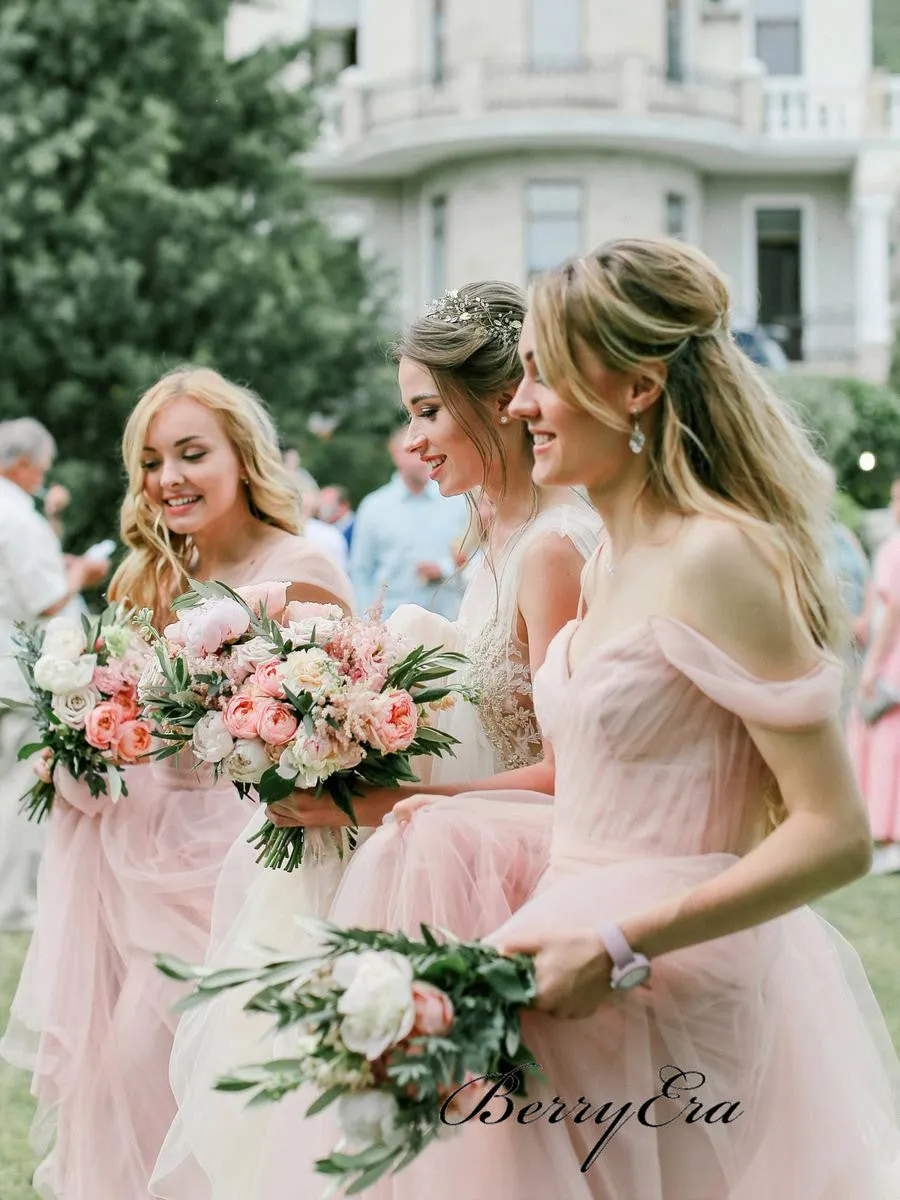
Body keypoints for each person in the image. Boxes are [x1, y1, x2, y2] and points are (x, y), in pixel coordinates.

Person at [275, 240, 898, 1197]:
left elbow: (835, 832)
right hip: (558, 950)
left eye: (541, 376)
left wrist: (618, 942)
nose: (519, 405)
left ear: (637, 388)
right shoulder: (607, 561)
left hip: (669, 976)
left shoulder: (719, 559)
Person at [149, 283, 603, 1200]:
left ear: (500, 402)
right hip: (449, 862)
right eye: (410, 415)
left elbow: (572, 774)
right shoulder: (495, 538)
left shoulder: (555, 549)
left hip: (507, 882)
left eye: (429, 410)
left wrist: (382, 799)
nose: (415, 440)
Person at [1, 367, 355, 1199]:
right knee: (126, 1083)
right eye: (152, 462)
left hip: (245, 869)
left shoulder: (300, 568)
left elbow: (344, 736)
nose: (167, 479)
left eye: (191, 454)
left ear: (242, 458)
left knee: (209, 1087)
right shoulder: (145, 579)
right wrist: (82, 743)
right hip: (134, 863)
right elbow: (131, 726)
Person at [0, 418, 109, 933]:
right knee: (23, 786)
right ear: (23, 465)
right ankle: (16, 905)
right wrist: (82, 574)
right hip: (15, 671)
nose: (43, 476)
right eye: (41, 467)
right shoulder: (18, 517)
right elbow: (47, 599)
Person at [350, 426, 469, 618]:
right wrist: (367, 621)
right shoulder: (373, 507)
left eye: (429, 450)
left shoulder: (457, 502)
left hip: (447, 624)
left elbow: (477, 555)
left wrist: (444, 568)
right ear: (396, 455)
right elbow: (361, 570)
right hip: (391, 627)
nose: (424, 459)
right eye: (415, 452)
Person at [848, 475, 900, 874]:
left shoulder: (892, 551)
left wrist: (870, 667)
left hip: (891, 664)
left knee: (883, 748)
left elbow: (892, 612)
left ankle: (886, 837)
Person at [317, 483, 355, 548]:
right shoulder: (322, 530)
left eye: (326, 505)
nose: (319, 510)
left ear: (343, 506)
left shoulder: (356, 530)